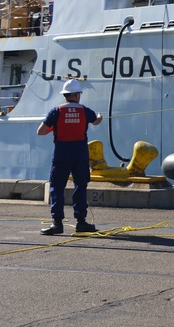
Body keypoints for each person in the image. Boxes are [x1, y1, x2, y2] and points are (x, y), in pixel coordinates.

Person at [37, 79, 103, 235]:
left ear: (65, 95)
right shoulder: (85, 110)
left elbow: (40, 131)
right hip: (80, 154)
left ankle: (57, 224)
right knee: (80, 187)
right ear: (76, 95)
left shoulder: (56, 111)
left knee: (57, 188)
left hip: (61, 154)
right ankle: (81, 222)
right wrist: (100, 116)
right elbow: (96, 121)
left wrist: (56, 127)